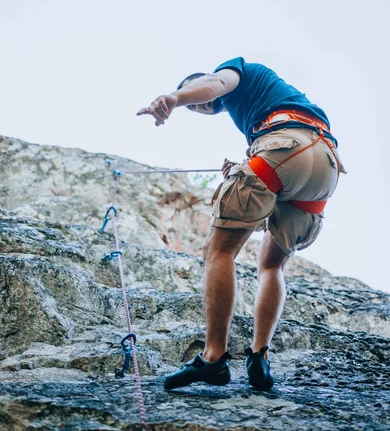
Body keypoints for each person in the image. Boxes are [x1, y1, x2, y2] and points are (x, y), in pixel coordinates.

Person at [137, 57, 346, 391]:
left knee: (218, 251)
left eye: (196, 97)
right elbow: (284, 161)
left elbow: (216, 85)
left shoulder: (237, 71)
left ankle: (214, 358)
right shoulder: (265, 101)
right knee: (272, 264)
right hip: (325, 166)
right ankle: (259, 356)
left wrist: (175, 99)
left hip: (287, 145)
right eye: (196, 109)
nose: (201, 105)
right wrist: (247, 165)